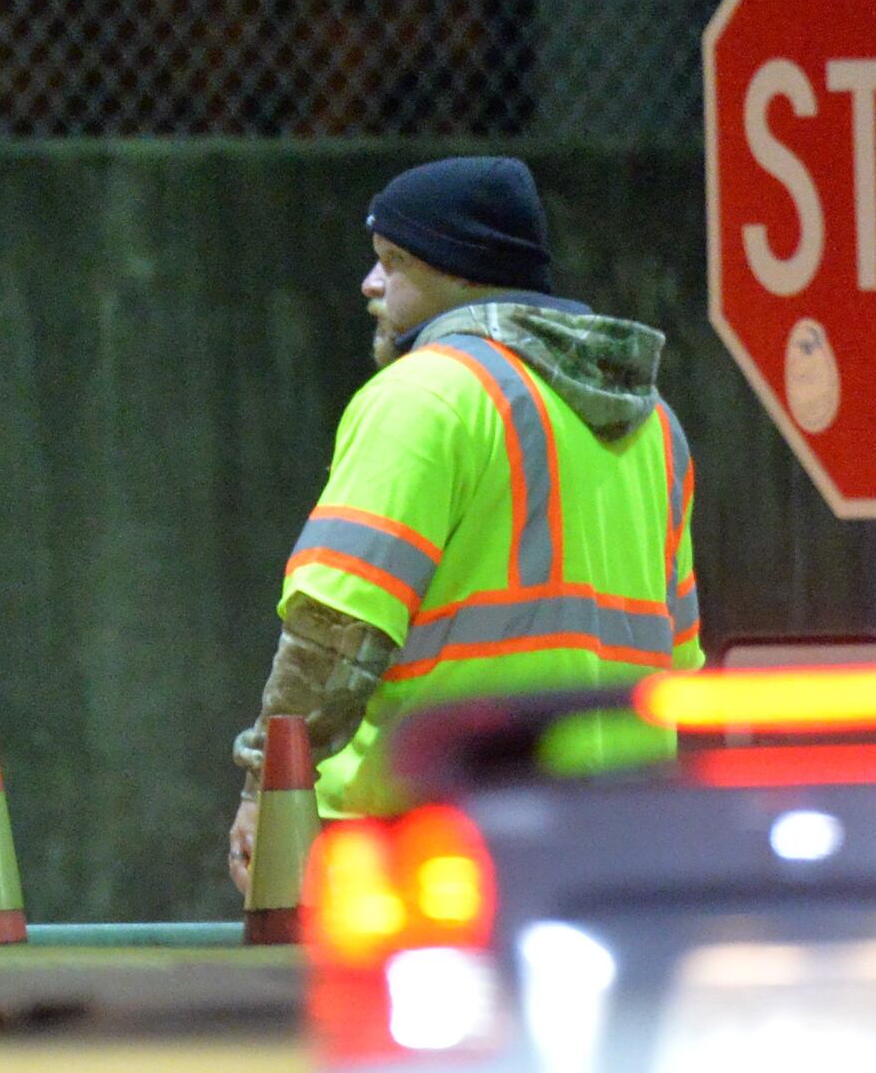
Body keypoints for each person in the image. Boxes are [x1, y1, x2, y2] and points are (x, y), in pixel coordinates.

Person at [229, 156, 701, 891]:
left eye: (395, 261)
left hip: (434, 834)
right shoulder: (656, 427)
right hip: (619, 835)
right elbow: (681, 660)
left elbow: (334, 629)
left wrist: (271, 790)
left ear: (465, 271)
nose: (371, 284)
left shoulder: (427, 396)